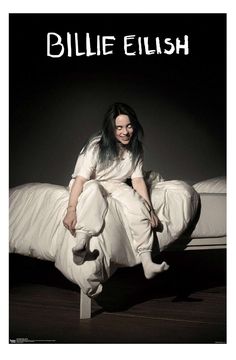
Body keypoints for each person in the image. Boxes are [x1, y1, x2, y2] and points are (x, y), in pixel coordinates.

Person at [63, 102, 169, 279]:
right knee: (94, 190)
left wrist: (150, 209)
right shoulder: (96, 145)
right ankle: (81, 243)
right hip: (90, 182)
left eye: (128, 126)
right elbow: (81, 179)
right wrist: (71, 209)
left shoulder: (136, 149)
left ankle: (147, 262)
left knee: (137, 203)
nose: (125, 132)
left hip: (116, 184)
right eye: (119, 127)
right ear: (110, 128)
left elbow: (137, 180)